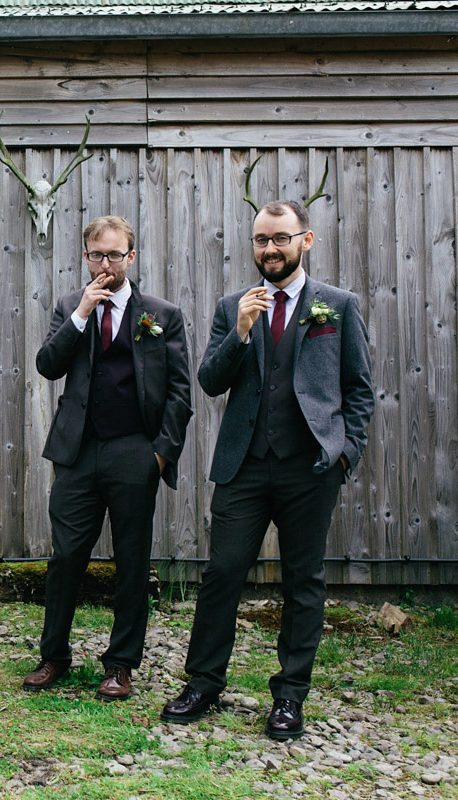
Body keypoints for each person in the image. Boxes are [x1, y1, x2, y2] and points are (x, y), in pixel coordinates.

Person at [161, 199, 373, 739]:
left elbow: (359, 391)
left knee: (303, 581)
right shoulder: (235, 304)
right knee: (222, 576)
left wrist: (345, 453)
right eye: (261, 240)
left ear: (306, 240)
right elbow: (210, 380)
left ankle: (289, 698)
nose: (270, 249)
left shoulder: (338, 306)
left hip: (311, 468)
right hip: (244, 467)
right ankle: (204, 683)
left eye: (280, 238)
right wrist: (241, 331)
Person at [24, 216, 192, 700]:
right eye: (97, 255)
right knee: (66, 558)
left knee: (132, 563)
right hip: (77, 453)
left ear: (131, 258)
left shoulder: (161, 313)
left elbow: (180, 392)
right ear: (85, 257)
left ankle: (121, 664)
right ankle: (53, 656)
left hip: (135, 453)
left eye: (114, 255)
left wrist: (160, 454)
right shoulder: (68, 307)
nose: (105, 264)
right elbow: (47, 365)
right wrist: (80, 314)